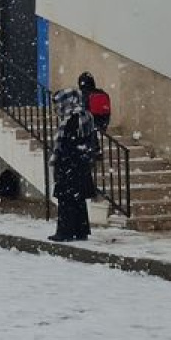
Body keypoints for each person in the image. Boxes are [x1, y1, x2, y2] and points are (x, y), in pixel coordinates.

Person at [48, 88, 101, 242]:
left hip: (70, 164)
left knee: (66, 200)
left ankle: (65, 232)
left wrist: (61, 161)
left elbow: (67, 143)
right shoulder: (86, 116)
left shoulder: (71, 119)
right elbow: (90, 140)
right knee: (78, 200)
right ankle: (80, 230)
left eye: (59, 102)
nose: (57, 107)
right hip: (80, 164)